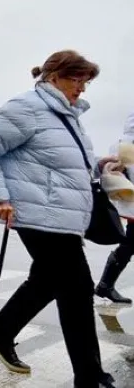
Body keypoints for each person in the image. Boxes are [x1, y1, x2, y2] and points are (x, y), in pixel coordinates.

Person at [0, 50, 118, 386]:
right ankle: (90, 376)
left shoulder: (65, 115)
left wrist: (100, 163)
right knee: (77, 289)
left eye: (85, 81)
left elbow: (63, 162)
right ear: (53, 77)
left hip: (60, 215)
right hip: (38, 213)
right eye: (75, 79)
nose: (81, 87)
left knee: (48, 282)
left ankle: (0, 333)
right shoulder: (28, 107)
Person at [95, 111, 134, 303]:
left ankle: (105, 285)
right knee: (130, 244)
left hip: (130, 202)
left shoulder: (122, 144)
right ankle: (105, 285)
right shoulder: (126, 146)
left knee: (130, 244)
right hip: (131, 201)